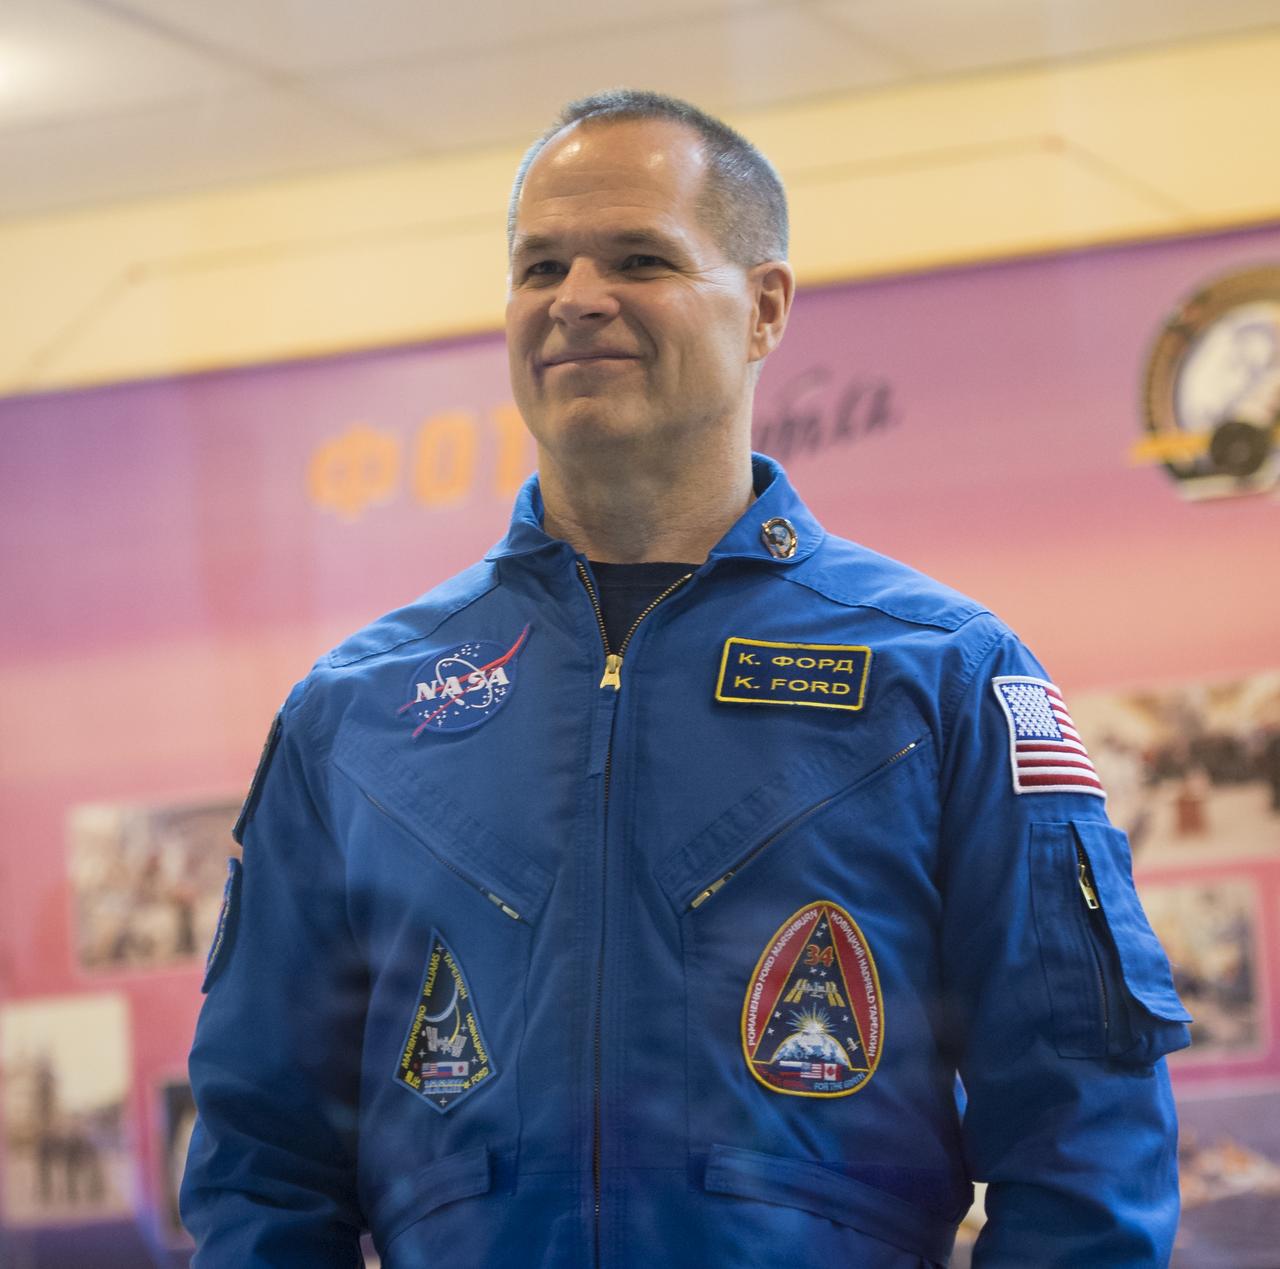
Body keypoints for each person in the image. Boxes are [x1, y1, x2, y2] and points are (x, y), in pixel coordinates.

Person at [181, 89, 1191, 1268]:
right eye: (540, 265)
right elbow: (262, 1158)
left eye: (639, 258)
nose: (576, 300)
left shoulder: (943, 679)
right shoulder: (356, 713)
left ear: (763, 307)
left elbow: (1082, 1127)